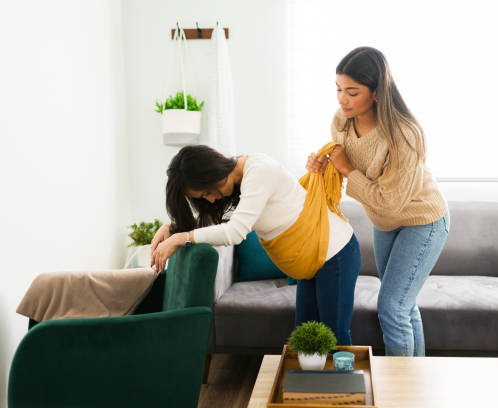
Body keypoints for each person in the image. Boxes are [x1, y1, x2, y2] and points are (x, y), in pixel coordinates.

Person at [306, 46, 450, 356]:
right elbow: (343, 162)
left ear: (375, 93)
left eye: (352, 92)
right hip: (384, 223)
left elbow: (390, 202)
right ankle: (416, 381)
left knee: (391, 307)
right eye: (338, 89)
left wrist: (345, 168)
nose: (342, 99)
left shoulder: (404, 135)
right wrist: (324, 164)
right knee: (403, 306)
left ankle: (399, 393)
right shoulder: (342, 121)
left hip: (422, 220)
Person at [150, 145, 361, 345]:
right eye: (204, 197)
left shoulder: (259, 172)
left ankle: (342, 383)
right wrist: (171, 228)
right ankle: (310, 384)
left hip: (335, 252)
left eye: (207, 192)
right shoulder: (237, 182)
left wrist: (181, 238)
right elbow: (216, 221)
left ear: (212, 171)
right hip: (309, 259)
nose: (212, 200)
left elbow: (235, 232)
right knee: (306, 338)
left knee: (333, 338)